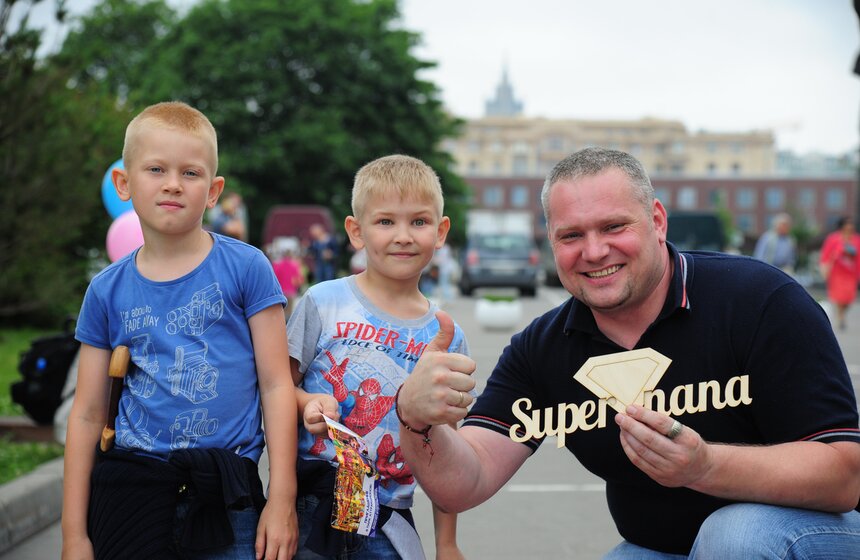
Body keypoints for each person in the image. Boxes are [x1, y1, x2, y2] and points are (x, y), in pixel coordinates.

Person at [396, 147, 860, 558]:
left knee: (735, 534)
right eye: (571, 236)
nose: (594, 251)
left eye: (614, 227)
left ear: (657, 221)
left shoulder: (761, 300)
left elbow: (843, 475)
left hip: (808, 532)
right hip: (660, 548)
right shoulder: (542, 349)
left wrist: (705, 466)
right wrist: (416, 419)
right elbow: (464, 482)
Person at [62, 101, 299, 560]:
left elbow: (275, 384)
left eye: (190, 173)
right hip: (133, 494)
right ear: (124, 183)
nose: (173, 183)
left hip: (228, 499)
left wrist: (282, 499)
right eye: (156, 169)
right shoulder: (106, 291)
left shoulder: (246, 268)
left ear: (213, 191)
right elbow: (88, 414)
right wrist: (75, 536)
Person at [287, 154, 469, 559]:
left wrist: (447, 543)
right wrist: (306, 402)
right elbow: (276, 388)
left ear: (440, 232)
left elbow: (447, 446)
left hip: (388, 522)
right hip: (311, 508)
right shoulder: (323, 302)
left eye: (418, 222)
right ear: (356, 231)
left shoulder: (446, 335)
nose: (402, 235)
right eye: (386, 221)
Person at [820, 216, 860, 331]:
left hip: (851, 274)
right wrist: (825, 266)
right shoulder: (833, 238)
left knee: (849, 298)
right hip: (837, 272)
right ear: (842, 226)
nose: (850, 226)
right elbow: (826, 254)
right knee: (839, 296)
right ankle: (841, 317)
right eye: (847, 224)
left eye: (851, 224)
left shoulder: (857, 239)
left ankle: (842, 313)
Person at [271, 238, 306, 320]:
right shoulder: (295, 265)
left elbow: (274, 278)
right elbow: (299, 279)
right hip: (291, 291)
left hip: (280, 292)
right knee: (289, 315)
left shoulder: (277, 265)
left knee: (281, 314)